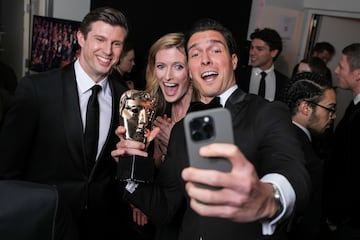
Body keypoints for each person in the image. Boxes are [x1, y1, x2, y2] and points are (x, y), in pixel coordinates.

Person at [112, 18, 311, 240]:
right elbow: (166, 206)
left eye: (215, 50)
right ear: (191, 69)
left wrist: (267, 198)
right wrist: (130, 164)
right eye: (195, 54)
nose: (205, 59)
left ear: (234, 61)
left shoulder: (266, 112)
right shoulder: (183, 128)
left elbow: (292, 173)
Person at [0, 7, 135, 240]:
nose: (107, 50)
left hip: (100, 226)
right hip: (43, 224)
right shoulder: (36, 90)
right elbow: (7, 168)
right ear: (81, 38)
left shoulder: (126, 98)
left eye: (116, 43)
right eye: (100, 39)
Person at [130, 32, 198, 240]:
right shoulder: (155, 111)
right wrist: (141, 200)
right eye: (161, 66)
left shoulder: (204, 116)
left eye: (178, 66)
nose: (167, 76)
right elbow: (152, 169)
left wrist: (174, 145)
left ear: (192, 69)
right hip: (157, 222)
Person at [282, 72, 336, 240]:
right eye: (330, 108)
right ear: (305, 108)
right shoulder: (309, 160)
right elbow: (308, 225)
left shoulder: (274, 134)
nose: (333, 116)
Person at [324, 43, 360, 240]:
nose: (336, 71)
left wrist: (337, 217)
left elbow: (352, 172)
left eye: (342, 67)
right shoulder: (354, 105)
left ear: (358, 74)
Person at [236, 27, 290, 101]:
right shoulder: (238, 75)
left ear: (273, 53)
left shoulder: (284, 83)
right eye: (252, 48)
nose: (252, 53)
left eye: (259, 49)